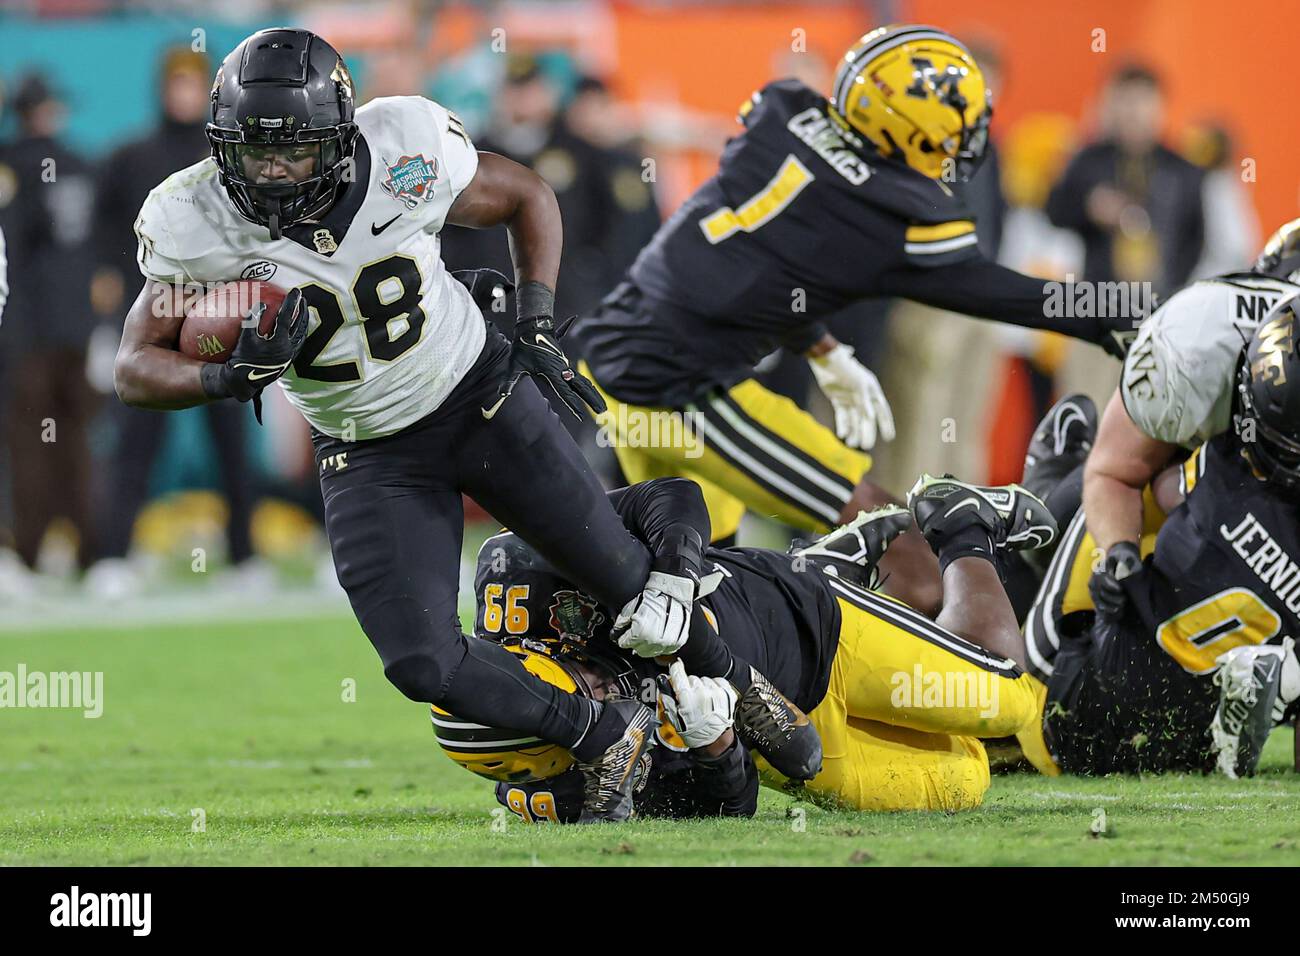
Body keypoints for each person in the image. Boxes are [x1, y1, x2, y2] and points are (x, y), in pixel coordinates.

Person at [113, 29, 815, 822]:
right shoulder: (190, 216)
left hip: (476, 397)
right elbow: (134, 365)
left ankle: (740, 685)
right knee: (419, 661)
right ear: (221, 146)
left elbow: (526, 196)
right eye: (254, 155)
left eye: (296, 154)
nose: (272, 176)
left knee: (623, 583)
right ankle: (600, 729)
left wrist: (540, 320)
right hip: (366, 449)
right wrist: (223, 376)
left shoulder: (404, 147)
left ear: (341, 138)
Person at [571, 25, 1132, 616]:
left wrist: (821, 348)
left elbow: (755, 261)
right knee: (905, 549)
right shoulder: (895, 216)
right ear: (906, 127)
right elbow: (1022, 297)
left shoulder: (783, 112)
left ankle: (701, 696)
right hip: (676, 387)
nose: (964, 144)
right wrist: (1126, 310)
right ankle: (887, 694)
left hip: (621, 352)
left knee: (702, 578)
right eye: (955, 128)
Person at [432, 475, 1055, 819]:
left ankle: (961, 524)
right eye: (587, 718)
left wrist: (673, 580)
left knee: (1008, 702)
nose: (606, 693)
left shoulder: (524, 571)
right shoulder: (562, 792)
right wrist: (719, 746)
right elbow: (738, 804)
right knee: (964, 781)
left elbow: (671, 495)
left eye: (582, 687)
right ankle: (832, 558)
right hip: (770, 735)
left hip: (809, 626)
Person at [1016, 317, 1300, 777]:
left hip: (1073, 698)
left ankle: (1035, 498)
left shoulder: (1224, 467)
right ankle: (1043, 493)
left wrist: (1119, 559)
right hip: (1185, 749)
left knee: (1138, 494)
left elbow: (1141, 484)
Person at [87, 47, 262, 596]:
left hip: (224, 317)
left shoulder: (231, 158)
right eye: (177, 84)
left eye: (194, 85)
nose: (184, 95)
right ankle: (113, 554)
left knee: (234, 439)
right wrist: (116, 300)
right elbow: (105, 234)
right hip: (158, 315)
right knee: (137, 437)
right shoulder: (131, 157)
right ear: (163, 89)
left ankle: (245, 557)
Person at [0, 74, 101, 574]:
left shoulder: (13, 165)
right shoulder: (80, 162)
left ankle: (30, 552)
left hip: (29, 331)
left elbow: (13, 254)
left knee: (31, 443)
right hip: (77, 327)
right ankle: (86, 550)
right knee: (75, 442)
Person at [1045, 64, 1205, 299]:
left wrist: (1175, 289)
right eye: (1126, 101)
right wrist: (1089, 208)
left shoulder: (1182, 170)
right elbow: (1053, 211)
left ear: (1159, 106)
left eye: (1142, 101)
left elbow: (1196, 239)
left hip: (1162, 301)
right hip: (1097, 301)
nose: (1134, 112)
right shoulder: (1090, 160)